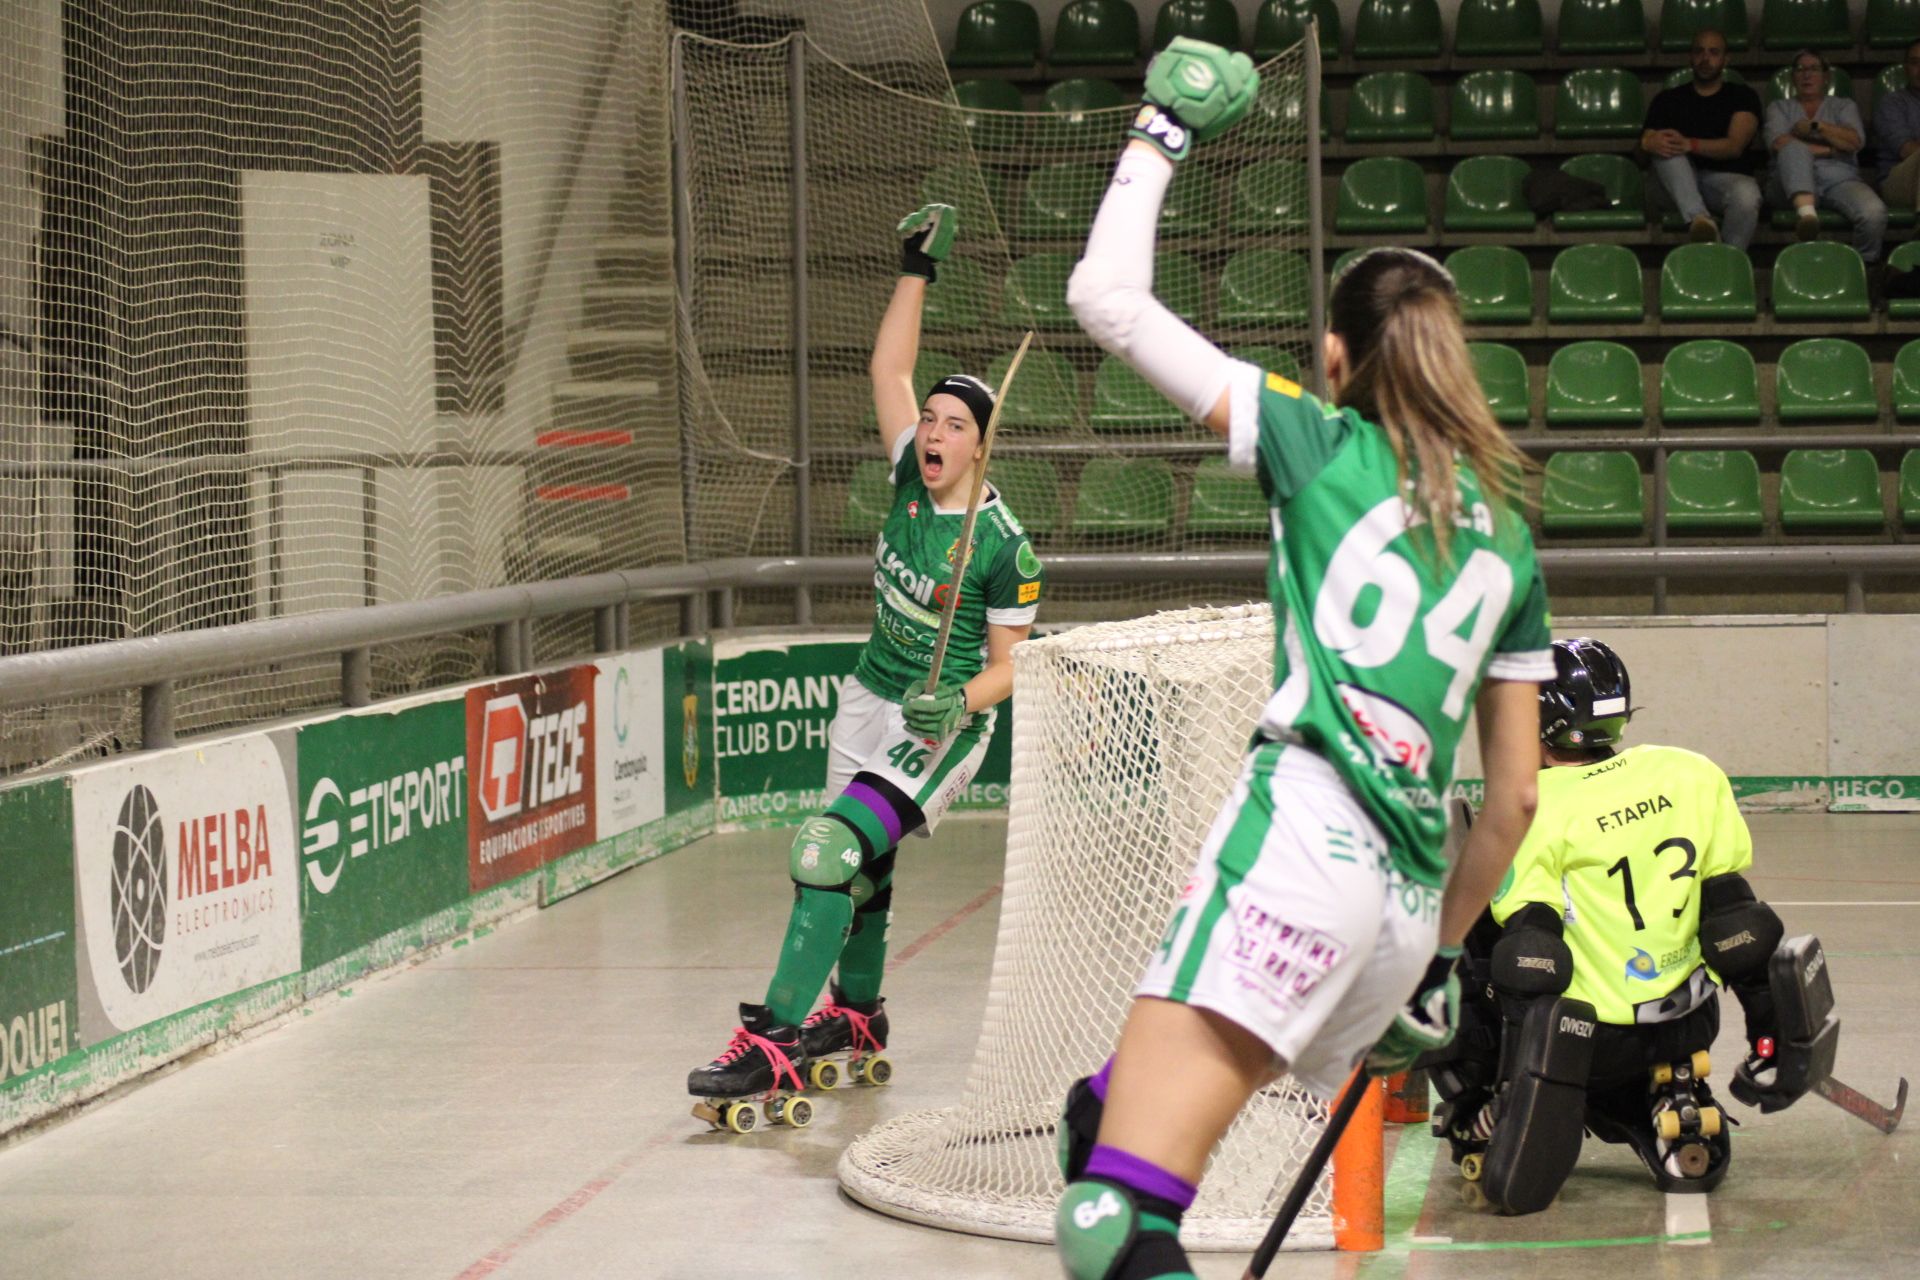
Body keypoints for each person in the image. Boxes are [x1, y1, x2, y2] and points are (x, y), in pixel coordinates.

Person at [1050, 38, 1554, 1280]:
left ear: (1336, 357)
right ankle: (1112, 1103)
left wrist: (1160, 132)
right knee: (1103, 1122)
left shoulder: (1314, 438)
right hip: (1402, 909)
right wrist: (1438, 961)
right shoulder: (1509, 534)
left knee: (1113, 1223)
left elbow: (1106, 300)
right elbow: (1513, 802)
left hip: (1302, 834)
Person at [687, 204, 1046, 1120]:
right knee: (858, 871)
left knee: (825, 849)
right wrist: (915, 270)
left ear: (981, 443)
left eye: (953, 424)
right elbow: (887, 368)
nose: (933, 433)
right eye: (928, 419)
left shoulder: (1005, 546)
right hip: (868, 696)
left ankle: (772, 1040)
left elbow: (1015, 664)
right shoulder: (904, 480)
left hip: (941, 727)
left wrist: (958, 701)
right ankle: (856, 1015)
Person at [1423, 638, 1829, 1214]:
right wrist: (1769, 1026)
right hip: (1689, 1021)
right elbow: (1736, 920)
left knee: (1453, 944)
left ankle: (1479, 1109)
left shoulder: (1527, 809)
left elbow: (1531, 954)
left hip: (1583, 1040)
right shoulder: (1691, 773)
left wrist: (1518, 1086)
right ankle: (1672, 1084)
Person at [1641, 30, 1763, 248]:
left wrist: (1689, 144)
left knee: (1747, 196)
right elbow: (1640, 155)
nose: (1705, 59)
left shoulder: (1743, 96)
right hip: (1672, 186)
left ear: (1726, 59)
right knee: (1667, 148)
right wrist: (1647, 143)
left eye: (1714, 52)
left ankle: (1724, 259)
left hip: (1724, 181)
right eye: (1699, 52)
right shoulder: (1667, 99)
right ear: (1690, 56)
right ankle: (1700, 219)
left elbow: (1734, 147)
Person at [1764, 50, 1886, 261]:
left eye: (1814, 69)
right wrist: (1831, 149)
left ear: (1826, 76)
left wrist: (1816, 126)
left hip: (1838, 180)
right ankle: (1807, 216)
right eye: (1800, 69)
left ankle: (1864, 267)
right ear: (1792, 77)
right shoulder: (1779, 107)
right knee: (1793, 149)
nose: (1807, 75)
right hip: (1786, 183)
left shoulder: (1843, 106)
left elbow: (1854, 142)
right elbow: (1779, 143)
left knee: (1874, 213)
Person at [1874, 39, 1920, 214]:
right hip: (1897, 181)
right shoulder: (1892, 103)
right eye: (1915, 63)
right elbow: (1907, 151)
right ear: (1906, 68)